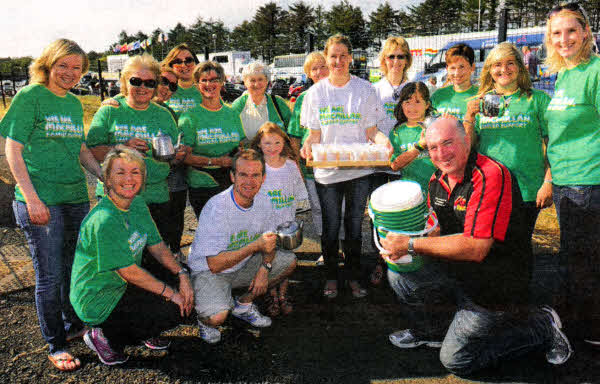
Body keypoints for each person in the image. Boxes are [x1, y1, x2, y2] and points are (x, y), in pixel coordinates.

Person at [380, 117, 572, 375]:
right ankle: (432, 332)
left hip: (494, 286)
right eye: (433, 147)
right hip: (459, 273)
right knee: (400, 274)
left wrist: (411, 244)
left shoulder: (491, 174)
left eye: (448, 143)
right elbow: (434, 231)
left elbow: (476, 247)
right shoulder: (436, 179)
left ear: (467, 141)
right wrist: (391, 223)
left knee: (457, 361)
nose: (441, 153)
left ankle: (541, 327)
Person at [0, 39, 102, 372]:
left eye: (77, 67)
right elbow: (12, 151)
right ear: (48, 64)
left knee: (73, 268)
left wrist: (104, 175)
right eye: (63, 66)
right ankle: (55, 343)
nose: (70, 73)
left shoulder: (73, 103)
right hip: (41, 200)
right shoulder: (30, 97)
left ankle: (72, 326)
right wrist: (31, 198)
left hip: (75, 198)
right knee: (49, 275)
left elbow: (81, 148)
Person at [70, 146, 194, 365]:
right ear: (106, 179)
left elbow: (157, 246)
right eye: (120, 172)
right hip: (98, 298)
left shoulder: (136, 203)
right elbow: (129, 272)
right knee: (173, 308)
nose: (129, 178)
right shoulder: (105, 219)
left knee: (185, 278)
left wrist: (182, 274)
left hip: (122, 285)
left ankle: (145, 326)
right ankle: (104, 336)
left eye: (135, 172)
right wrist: (171, 294)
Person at [301, 34, 391, 299]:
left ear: (351, 57)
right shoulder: (316, 92)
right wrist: (307, 146)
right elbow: (314, 135)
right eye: (333, 56)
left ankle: (352, 277)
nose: (338, 61)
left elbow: (372, 131)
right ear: (326, 59)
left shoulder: (365, 89)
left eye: (343, 55)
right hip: (327, 172)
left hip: (359, 170)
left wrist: (385, 142)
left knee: (354, 226)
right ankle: (330, 276)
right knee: (330, 226)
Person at [86, 54, 185, 279]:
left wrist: (176, 155)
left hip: (156, 198)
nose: (143, 87)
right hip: (117, 201)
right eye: (136, 81)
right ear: (124, 81)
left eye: (150, 83)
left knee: (156, 264)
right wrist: (121, 147)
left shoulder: (163, 115)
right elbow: (92, 149)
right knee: (120, 265)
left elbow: (172, 156)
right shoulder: (110, 110)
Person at [464, 42, 552, 288]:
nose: (504, 69)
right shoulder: (481, 102)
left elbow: (553, 145)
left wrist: (548, 181)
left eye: (510, 63)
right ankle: (495, 304)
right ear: (489, 69)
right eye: (497, 64)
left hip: (525, 187)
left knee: (519, 246)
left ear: (520, 67)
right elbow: (469, 148)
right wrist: (469, 118)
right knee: (490, 248)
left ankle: (519, 304)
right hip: (489, 189)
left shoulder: (537, 100)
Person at [187, 149, 297, 344]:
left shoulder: (265, 201)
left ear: (263, 178)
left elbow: (269, 241)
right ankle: (205, 316)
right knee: (217, 317)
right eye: (243, 175)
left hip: (241, 265)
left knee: (288, 262)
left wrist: (265, 268)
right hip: (209, 272)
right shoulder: (217, 208)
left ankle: (243, 304)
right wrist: (255, 246)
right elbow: (214, 264)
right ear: (232, 176)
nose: (249, 181)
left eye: (255, 175)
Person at [544, 2, 600, 345]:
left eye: (571, 31)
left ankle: (590, 333)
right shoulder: (563, 74)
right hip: (565, 179)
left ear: (585, 33)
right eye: (556, 33)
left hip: (589, 179)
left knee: (584, 259)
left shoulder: (595, 71)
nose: (564, 39)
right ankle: (580, 326)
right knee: (574, 256)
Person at [286, 51, 344, 267]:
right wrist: (300, 166)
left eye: (323, 66)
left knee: (342, 209)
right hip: (313, 169)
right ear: (308, 74)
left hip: (341, 167)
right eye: (314, 69)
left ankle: (346, 248)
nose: (319, 72)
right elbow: (294, 136)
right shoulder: (303, 99)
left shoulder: (340, 93)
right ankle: (328, 250)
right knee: (319, 209)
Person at [369, 37, 413, 285]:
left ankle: (404, 259)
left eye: (401, 56)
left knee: (405, 212)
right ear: (383, 60)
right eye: (391, 56)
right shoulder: (374, 89)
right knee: (379, 214)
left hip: (407, 161)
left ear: (408, 59)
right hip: (378, 162)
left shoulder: (415, 87)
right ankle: (379, 260)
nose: (396, 61)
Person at [251, 122, 308, 316]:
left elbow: (300, 189)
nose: (273, 148)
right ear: (259, 144)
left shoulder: (291, 165)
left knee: (286, 258)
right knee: (267, 259)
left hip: (286, 222)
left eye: (277, 142)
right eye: (267, 143)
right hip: (264, 223)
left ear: (284, 142)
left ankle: (283, 293)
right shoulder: (257, 166)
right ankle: (271, 294)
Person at [179, 61, 245, 218]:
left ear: (222, 82)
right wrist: (217, 162)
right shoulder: (189, 117)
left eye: (214, 79)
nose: (209, 84)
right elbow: (185, 157)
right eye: (204, 80)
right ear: (197, 84)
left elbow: (241, 145)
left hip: (232, 183)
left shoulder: (232, 114)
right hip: (203, 185)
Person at [389, 82, 437, 194]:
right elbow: (395, 165)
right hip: (409, 193)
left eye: (418, 102)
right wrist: (420, 146)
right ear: (402, 105)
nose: (412, 107)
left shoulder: (436, 127)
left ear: (427, 104)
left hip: (436, 190)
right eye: (407, 102)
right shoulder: (397, 132)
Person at [230, 62, 291, 141]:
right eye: (252, 80)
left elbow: (292, 131)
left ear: (266, 81)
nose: (256, 84)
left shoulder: (278, 103)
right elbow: (232, 133)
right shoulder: (238, 105)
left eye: (260, 79)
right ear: (245, 83)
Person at [430, 43, 478, 137]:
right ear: (447, 69)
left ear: (472, 67)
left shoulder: (480, 95)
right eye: (452, 68)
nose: (457, 73)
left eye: (462, 67)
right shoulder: (438, 96)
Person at [163, 43, 202, 116]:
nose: (184, 65)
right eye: (178, 61)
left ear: (196, 63)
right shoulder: (163, 90)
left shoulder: (206, 90)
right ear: (171, 66)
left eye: (189, 60)